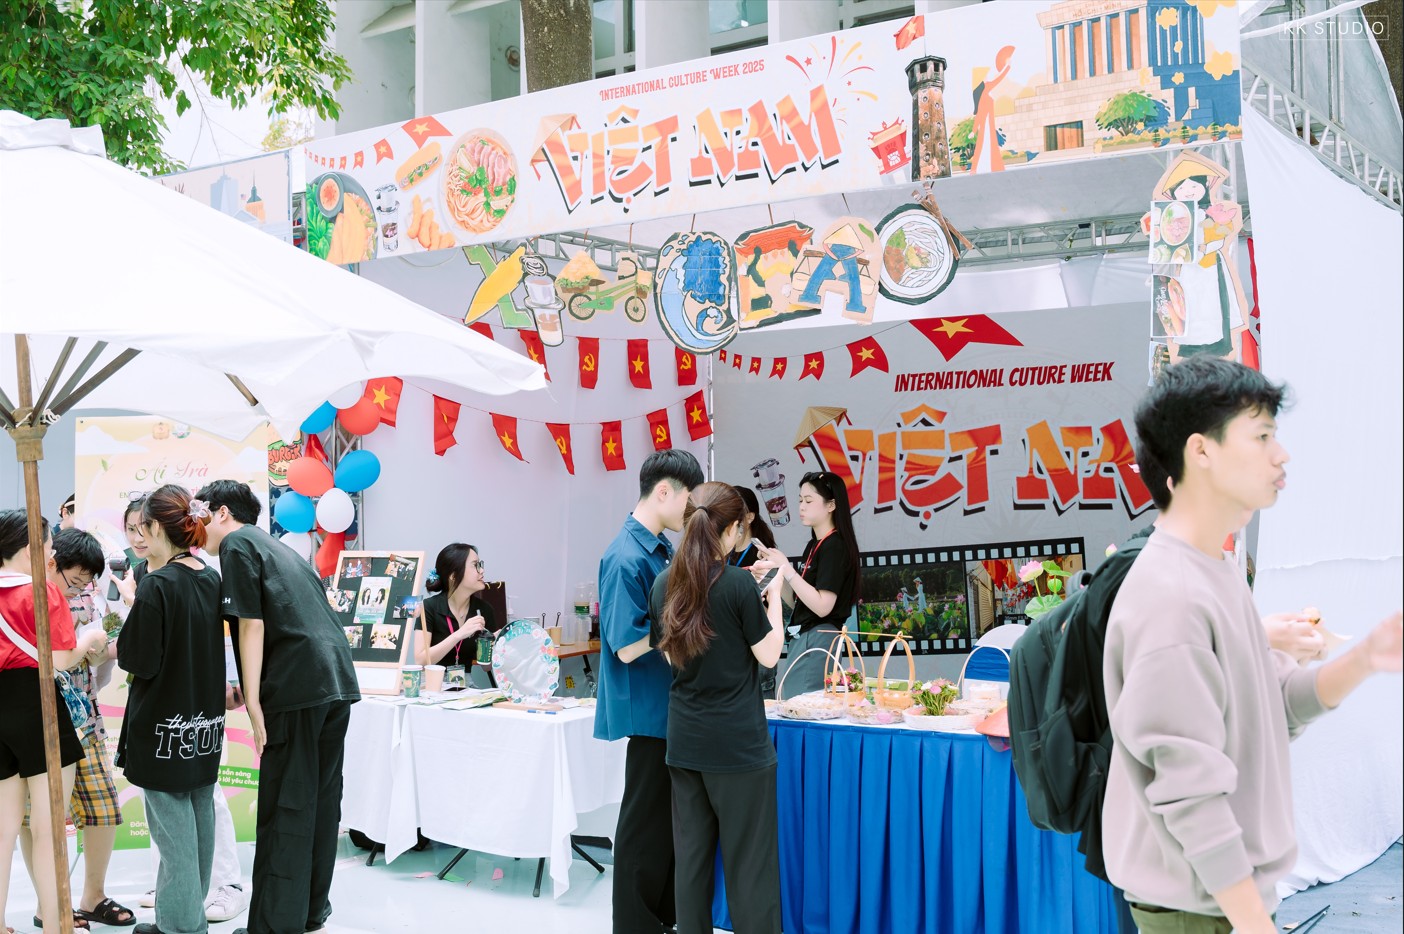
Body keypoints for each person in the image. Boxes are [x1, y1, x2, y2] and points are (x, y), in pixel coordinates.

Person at [1104, 356, 1402, 933]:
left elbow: (1275, 705)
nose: (1280, 454)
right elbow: (1189, 794)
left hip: (1224, 901)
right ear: (1201, 452)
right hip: (1200, 909)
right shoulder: (1171, 595)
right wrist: (1254, 925)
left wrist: (1366, 658)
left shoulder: (1211, 567)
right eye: (1262, 436)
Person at [195, 480, 359, 934]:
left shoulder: (237, 544)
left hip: (298, 685)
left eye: (200, 513)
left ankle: (273, 925)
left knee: (286, 804)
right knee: (320, 802)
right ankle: (309, 911)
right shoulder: (281, 549)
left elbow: (251, 625)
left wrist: (252, 702)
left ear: (222, 513)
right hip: (335, 679)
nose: (196, 527)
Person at [651, 483, 784, 934]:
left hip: (685, 742)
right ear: (731, 530)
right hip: (739, 747)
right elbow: (769, 655)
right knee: (750, 868)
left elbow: (671, 656)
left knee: (690, 864)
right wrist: (774, 597)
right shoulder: (739, 585)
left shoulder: (663, 584)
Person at [595, 449, 704, 934]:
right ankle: (634, 924)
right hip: (647, 711)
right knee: (643, 826)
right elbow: (625, 646)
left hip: (669, 708)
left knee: (664, 825)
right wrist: (682, 629)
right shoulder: (624, 556)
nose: (692, 512)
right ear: (664, 492)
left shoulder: (659, 549)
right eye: (688, 500)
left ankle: (661, 919)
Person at [116, 486, 225, 934]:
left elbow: (137, 660)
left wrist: (132, 604)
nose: (139, 536)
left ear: (157, 527)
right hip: (204, 723)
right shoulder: (209, 577)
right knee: (199, 825)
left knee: (175, 839)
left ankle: (182, 928)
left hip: (164, 725)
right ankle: (181, 917)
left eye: (142, 527)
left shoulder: (157, 585)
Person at [20, 529, 133, 929]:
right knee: (38, 819)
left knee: (103, 809)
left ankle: (92, 897)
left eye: (88, 581)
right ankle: (49, 904)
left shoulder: (87, 597)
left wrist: (100, 647)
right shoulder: (27, 596)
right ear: (52, 562)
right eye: (77, 579)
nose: (81, 587)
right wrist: (84, 646)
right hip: (39, 721)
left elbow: (98, 652)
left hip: (85, 716)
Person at [0, 511, 93, 934]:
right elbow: (61, 659)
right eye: (49, 546)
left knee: (3, 827)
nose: (51, 554)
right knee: (48, 825)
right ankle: (57, 924)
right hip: (37, 704)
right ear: (29, 549)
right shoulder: (41, 591)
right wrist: (90, 641)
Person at [754, 470, 861, 696]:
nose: (802, 506)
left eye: (809, 501)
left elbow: (823, 606)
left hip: (818, 637)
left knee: (801, 705)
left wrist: (786, 568)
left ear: (831, 505)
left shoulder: (834, 546)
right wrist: (776, 570)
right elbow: (798, 601)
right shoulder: (815, 545)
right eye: (800, 500)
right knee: (798, 703)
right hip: (807, 638)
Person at [418, 543, 493, 669]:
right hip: (434, 680)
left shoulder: (484, 609)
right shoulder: (428, 607)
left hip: (466, 681)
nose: (482, 570)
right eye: (475, 565)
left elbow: (487, 668)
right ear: (453, 576)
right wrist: (460, 634)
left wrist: (495, 646)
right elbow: (420, 660)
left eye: (480, 565)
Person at [726, 487, 774, 570]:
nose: (727, 518)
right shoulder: (722, 551)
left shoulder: (761, 555)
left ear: (750, 517)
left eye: (734, 513)